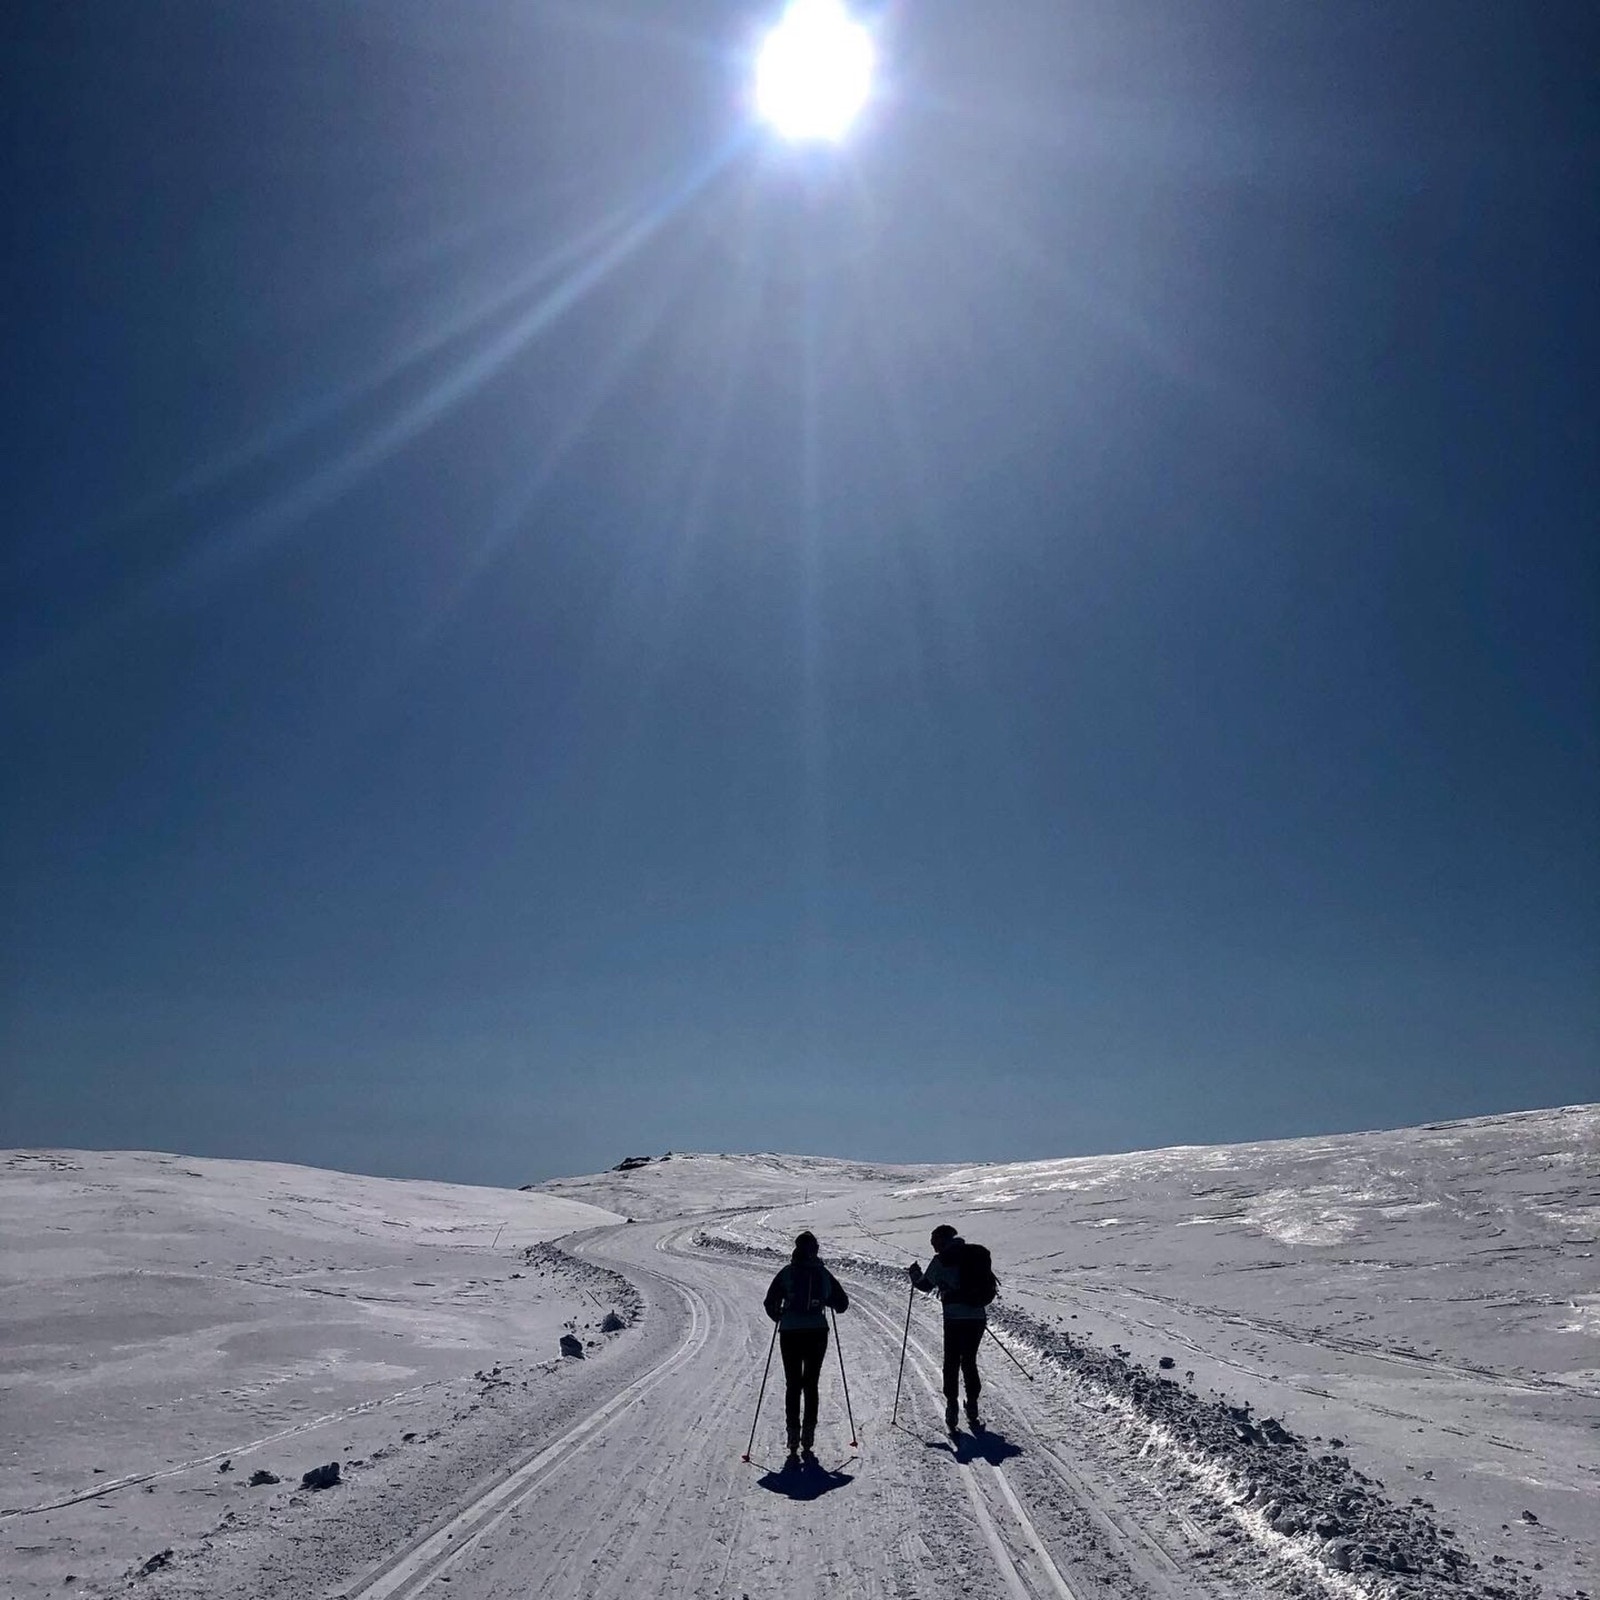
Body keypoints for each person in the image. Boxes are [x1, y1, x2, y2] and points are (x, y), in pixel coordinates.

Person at [763, 1231, 849, 1461]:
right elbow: (842, 1304)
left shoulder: (787, 1273)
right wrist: (825, 1301)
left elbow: (769, 1302)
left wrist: (779, 1315)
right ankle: (808, 1433)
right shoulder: (822, 1273)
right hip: (817, 1332)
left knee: (793, 1383)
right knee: (811, 1383)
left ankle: (792, 1433)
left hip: (790, 1332)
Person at [907, 1223, 990, 1433]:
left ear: (942, 1241)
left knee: (951, 1361)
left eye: (935, 1242)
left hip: (954, 1317)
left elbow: (926, 1286)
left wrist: (914, 1275)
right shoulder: (974, 1254)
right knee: (969, 1360)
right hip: (977, 1315)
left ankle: (952, 1405)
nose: (934, 1247)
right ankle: (972, 1405)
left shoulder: (941, 1260)